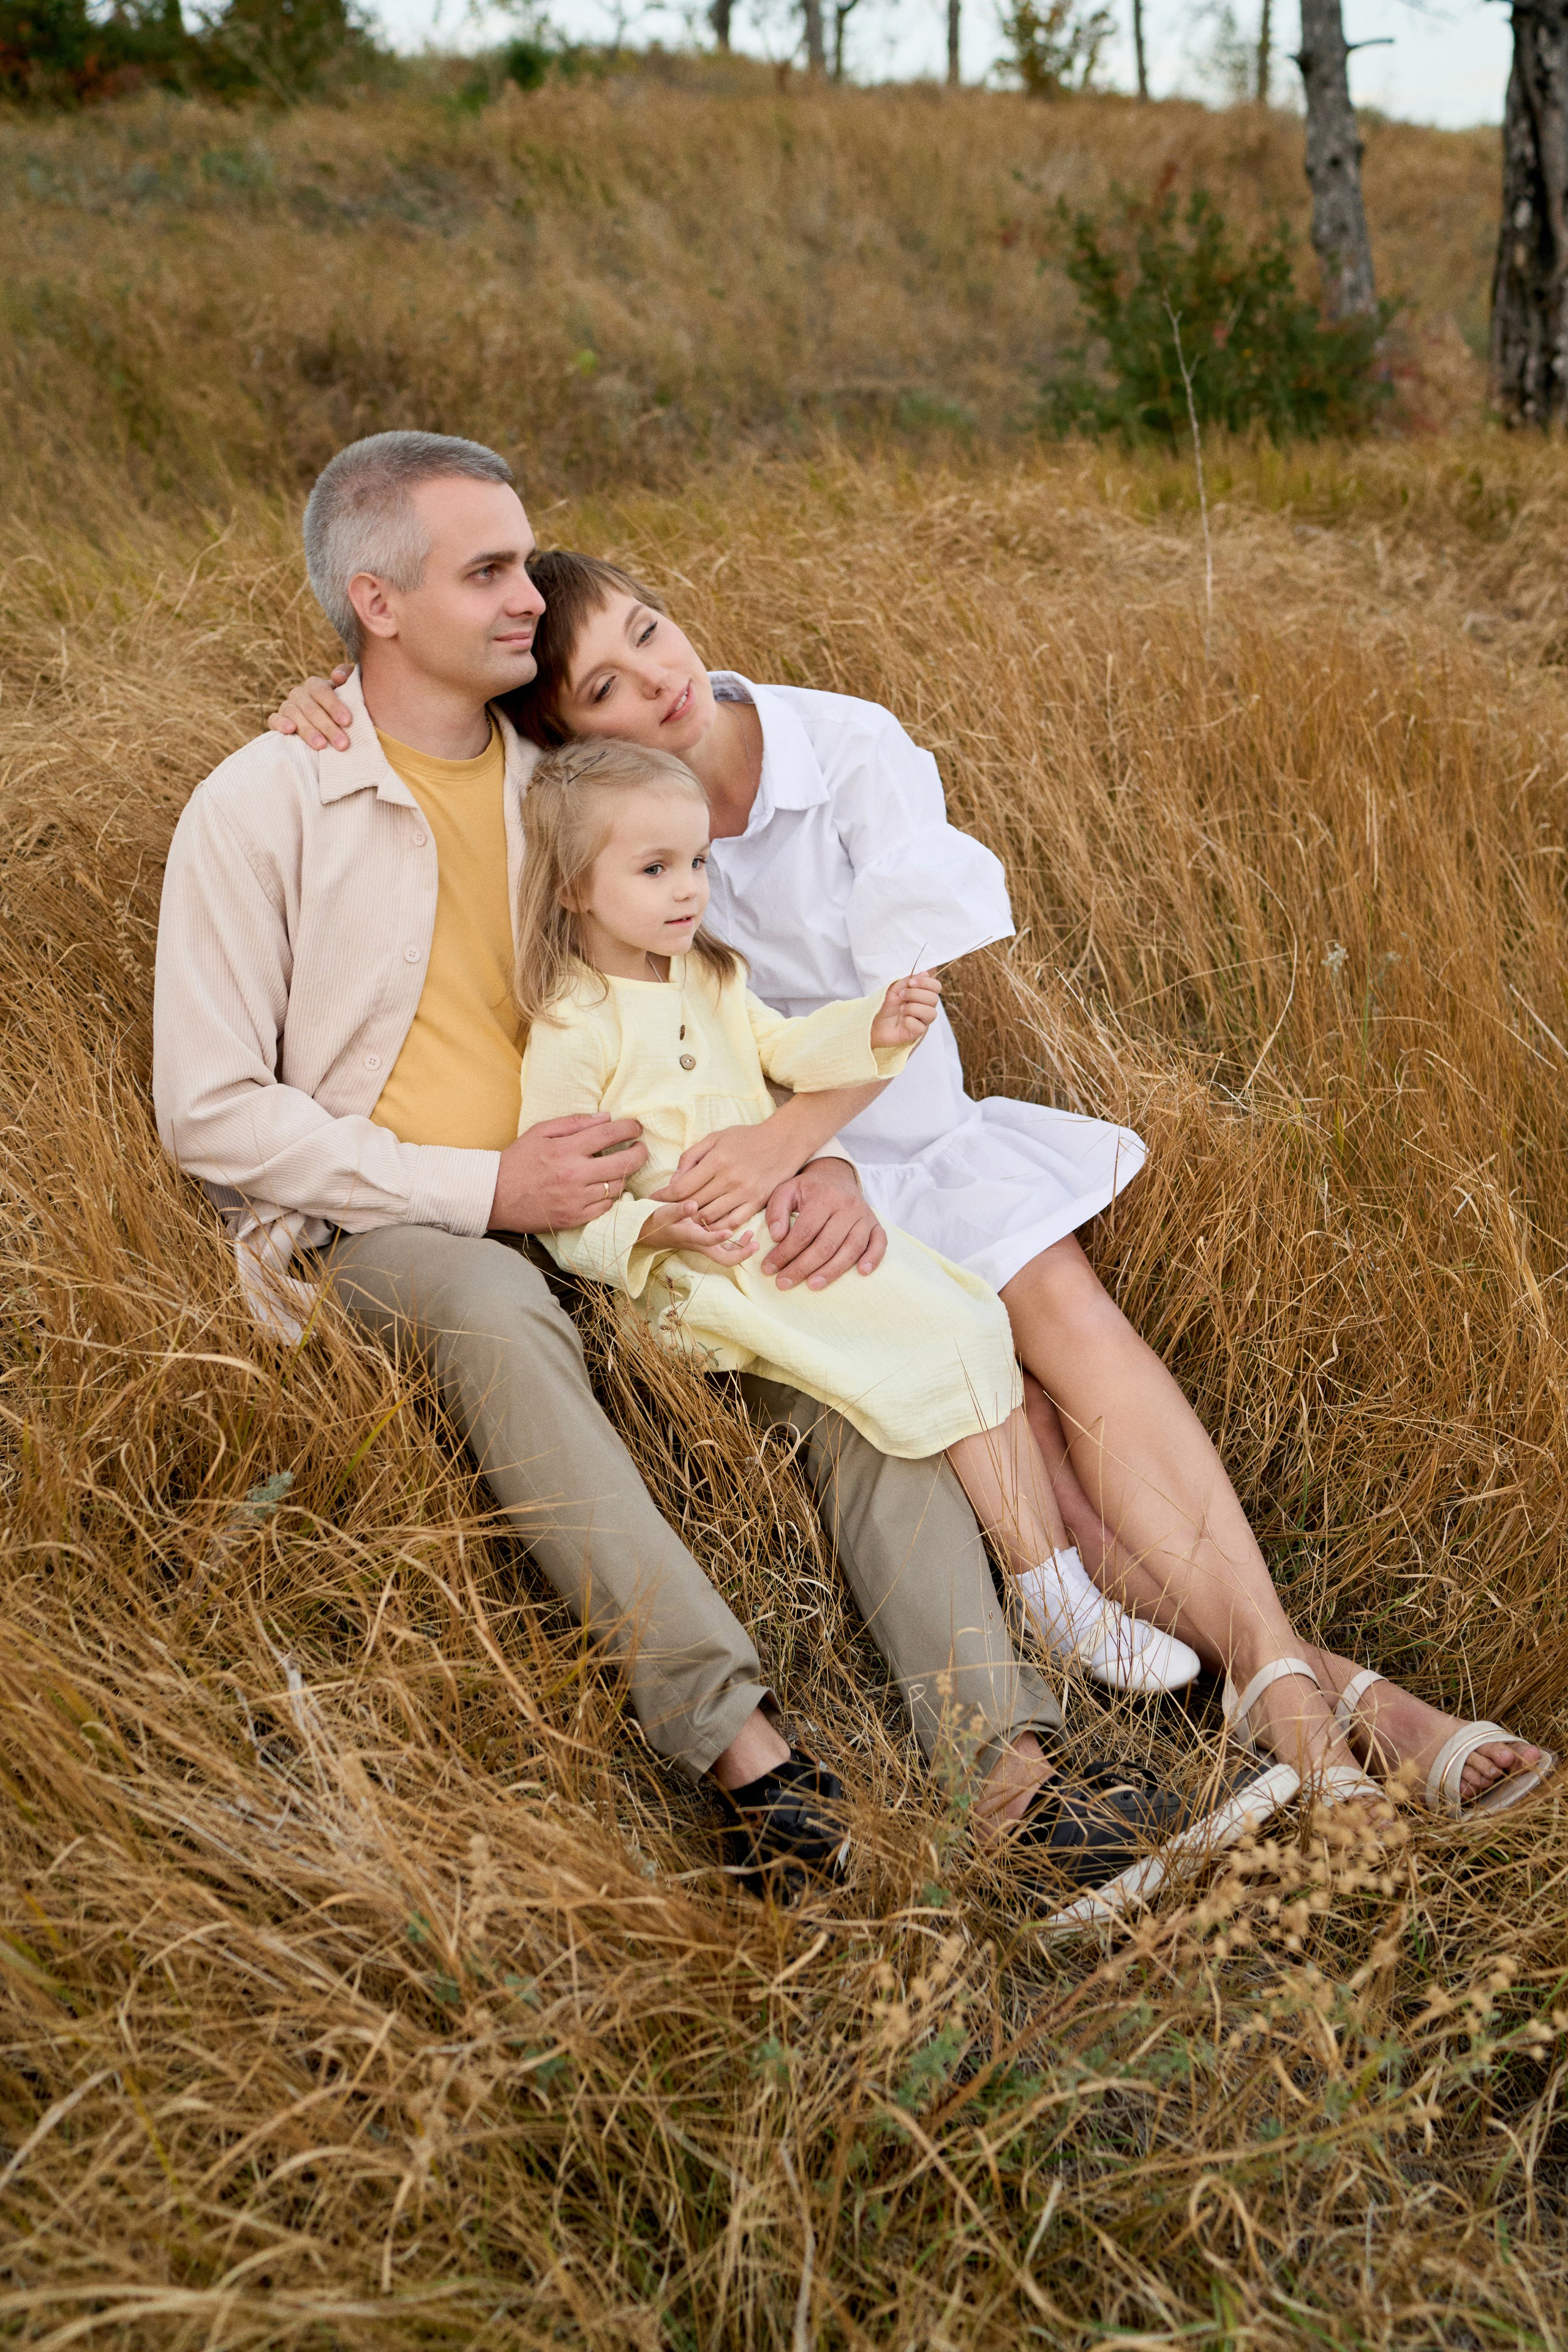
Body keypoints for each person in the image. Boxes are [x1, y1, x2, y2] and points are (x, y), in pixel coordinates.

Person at [155, 427, 1286, 1931]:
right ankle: (754, 1771)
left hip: (643, 1203)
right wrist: (487, 1190)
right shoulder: (267, 801)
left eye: (524, 562)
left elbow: (715, 985)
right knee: (494, 1310)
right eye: (487, 571)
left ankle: (1011, 1782)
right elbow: (210, 1111)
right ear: (376, 602)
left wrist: (812, 1158)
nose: (527, 595)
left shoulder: (569, 781)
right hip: (401, 1220)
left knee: (846, 1346)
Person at [271, 540, 1556, 1825]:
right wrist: (330, 700)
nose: (656, 681)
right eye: (602, 688)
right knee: (1021, 1438)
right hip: (786, 1198)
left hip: (912, 1138)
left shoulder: (842, 748)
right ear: (566, 741)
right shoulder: (611, 825)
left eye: (649, 632)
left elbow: (901, 999)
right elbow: (443, 713)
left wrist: (805, 1145)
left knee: (1072, 1328)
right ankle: (1325, 1695)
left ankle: (1293, 1696)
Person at [512, 733, 1205, 1709]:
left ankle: (1054, 1593)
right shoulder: (572, 1026)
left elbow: (790, 1050)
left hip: (777, 1238)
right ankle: (1059, 1600)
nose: (689, 889)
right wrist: (654, 1232)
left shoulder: (709, 977)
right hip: (702, 1278)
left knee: (972, 1319)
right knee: (933, 1348)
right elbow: (565, 1211)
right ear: (573, 889)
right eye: (655, 868)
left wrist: (871, 1026)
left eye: (699, 861)